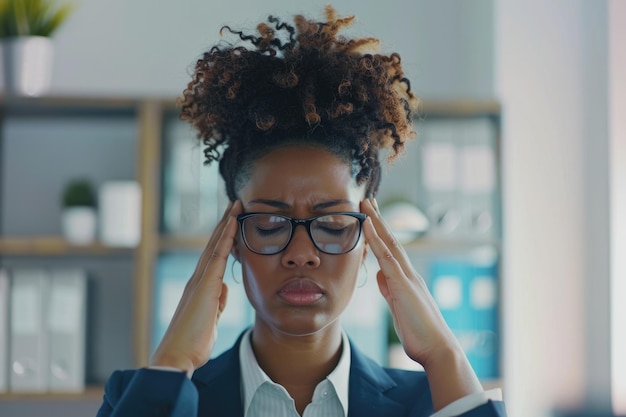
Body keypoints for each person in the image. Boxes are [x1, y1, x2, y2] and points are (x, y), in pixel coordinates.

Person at [96, 6, 507, 417]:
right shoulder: (146, 395)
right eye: (272, 224)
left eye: (331, 224)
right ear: (234, 239)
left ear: (368, 242)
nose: (301, 253)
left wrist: (442, 353)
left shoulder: (436, 401)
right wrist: (174, 361)